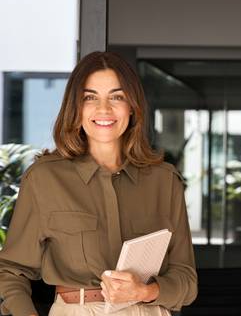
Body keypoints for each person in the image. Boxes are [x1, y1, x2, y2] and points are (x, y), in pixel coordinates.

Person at [0, 51, 198, 316]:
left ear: (132, 107)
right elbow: (11, 271)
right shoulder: (44, 179)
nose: (103, 109)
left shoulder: (164, 180)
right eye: (90, 97)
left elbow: (186, 280)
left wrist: (144, 291)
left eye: (116, 97)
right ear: (76, 108)